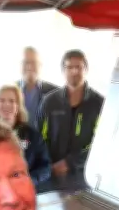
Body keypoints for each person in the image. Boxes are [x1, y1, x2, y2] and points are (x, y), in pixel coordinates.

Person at [38, 50, 105, 186]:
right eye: (69, 67)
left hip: (83, 176)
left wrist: (70, 163)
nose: (74, 71)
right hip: (50, 173)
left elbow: (101, 144)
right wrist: (48, 164)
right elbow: (39, 136)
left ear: (85, 69)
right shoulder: (49, 101)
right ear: (63, 70)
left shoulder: (98, 103)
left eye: (78, 67)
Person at [0, 84, 50, 188]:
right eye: (2, 100)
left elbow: (45, 168)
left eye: (11, 101)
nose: (6, 104)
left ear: (18, 105)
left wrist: (29, 180)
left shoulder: (32, 135)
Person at [18, 47, 57, 129]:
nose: (29, 66)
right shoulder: (9, 91)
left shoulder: (56, 93)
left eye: (33, 62)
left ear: (40, 65)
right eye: (25, 62)